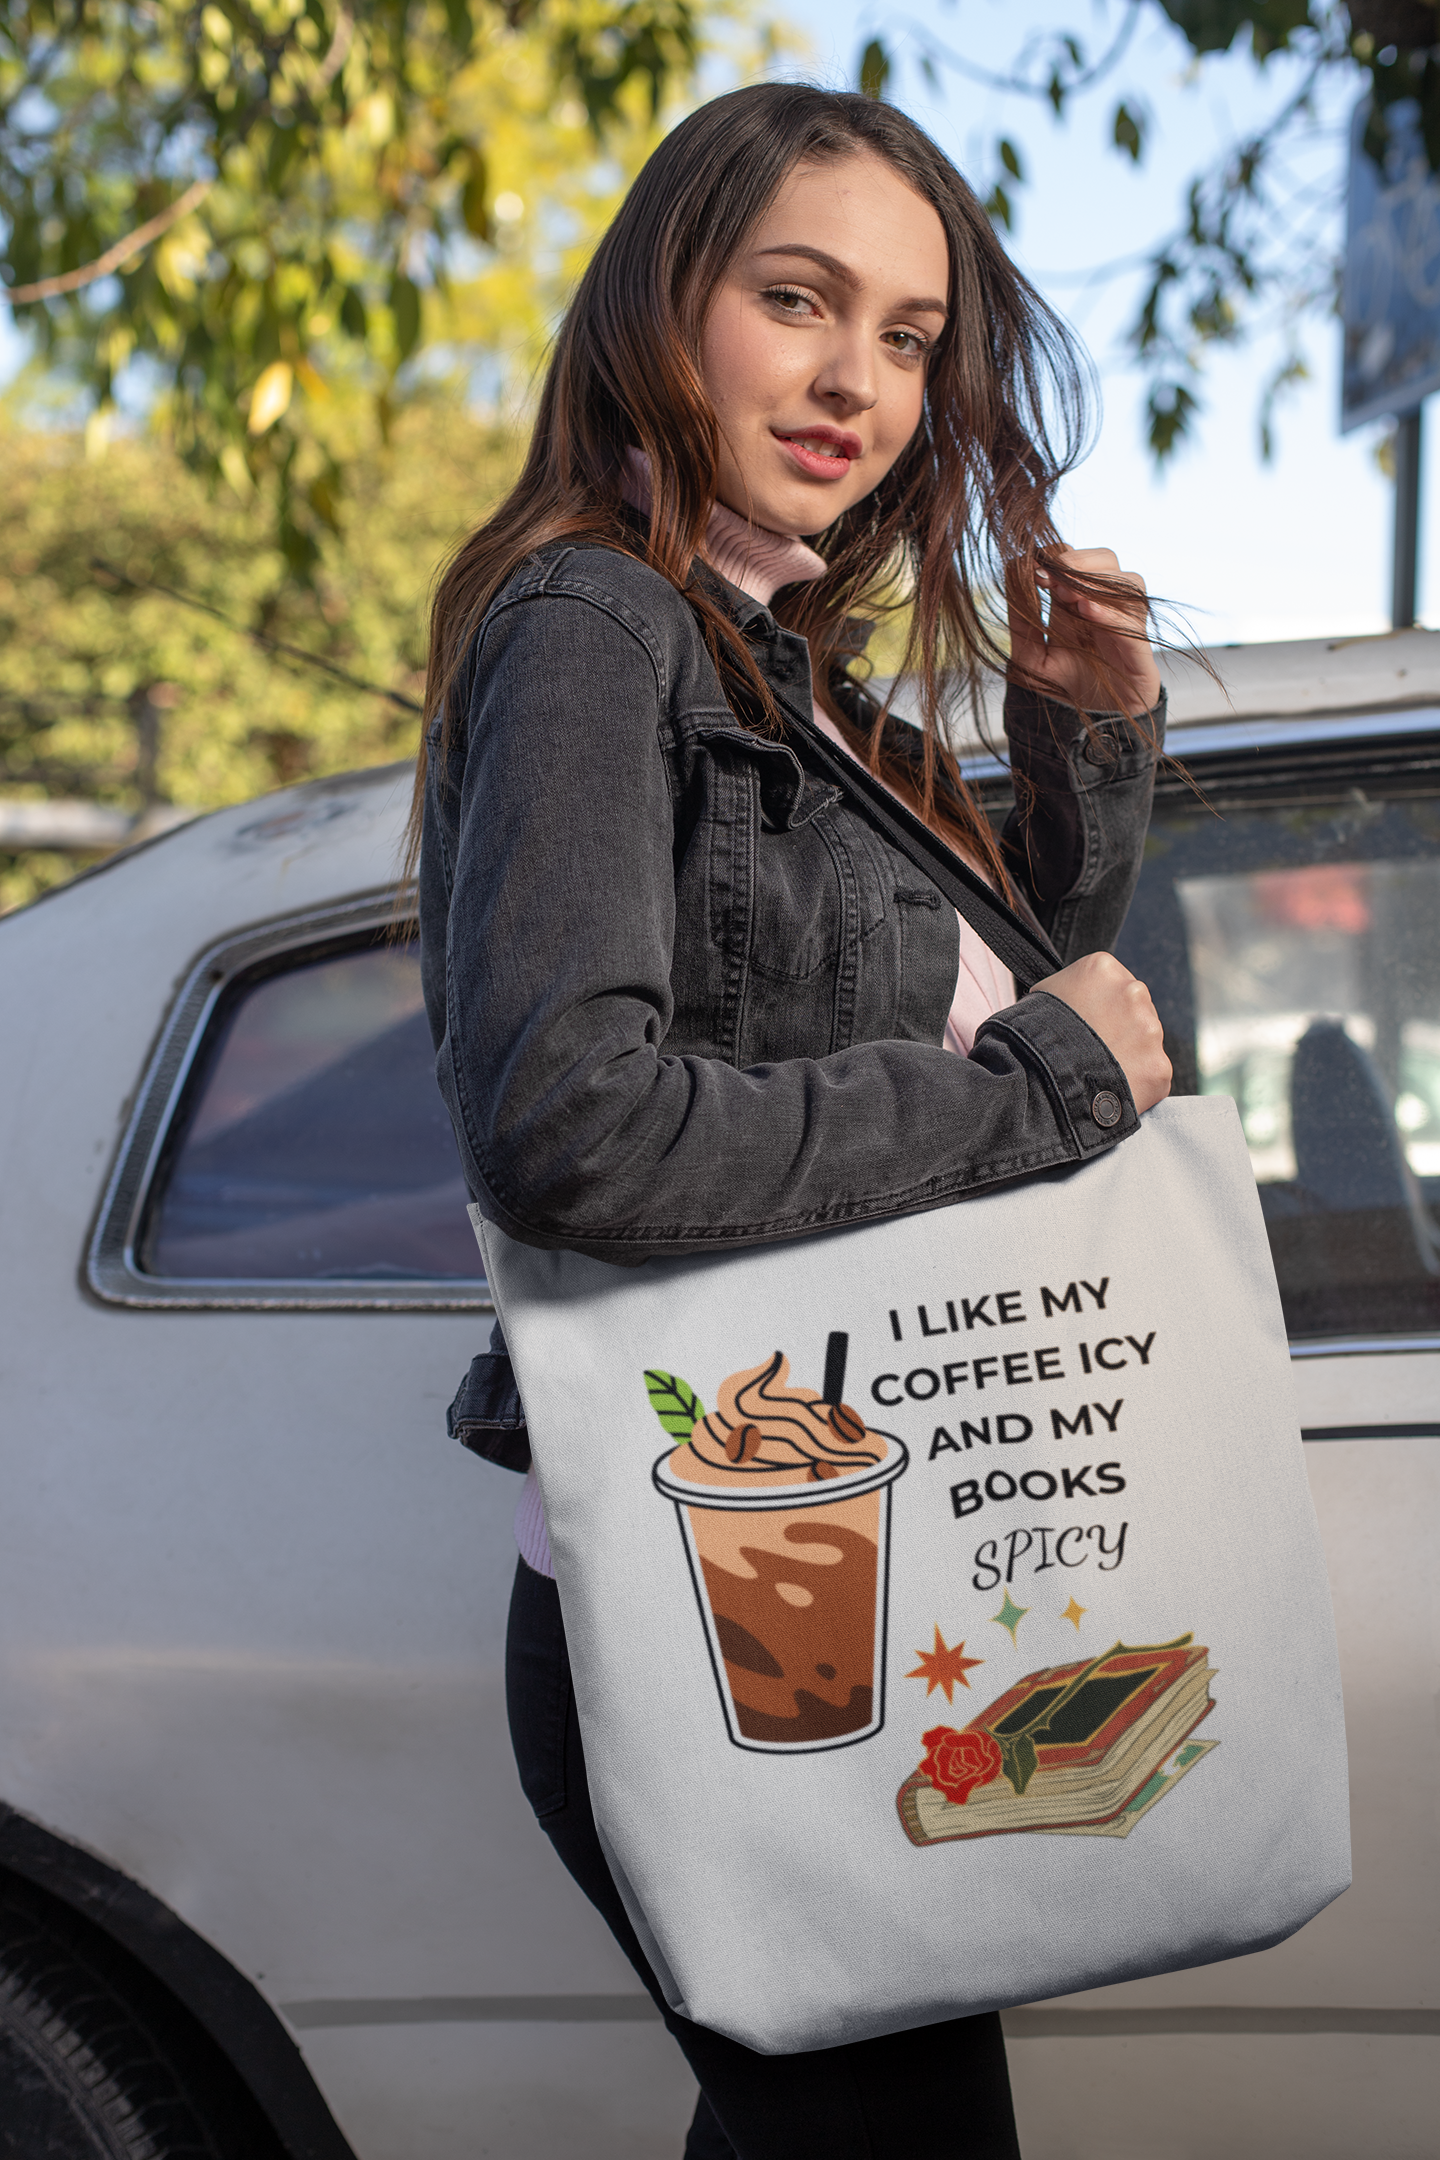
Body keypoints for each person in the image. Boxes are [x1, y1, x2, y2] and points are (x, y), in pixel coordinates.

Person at [415, 81, 1171, 2160]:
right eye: (799, 299)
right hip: (709, 1602)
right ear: (671, 299)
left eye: (913, 338)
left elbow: (970, 993)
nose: (859, 381)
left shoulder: (769, 658)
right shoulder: (600, 629)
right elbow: (570, 1128)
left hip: (808, 1555)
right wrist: (1035, 1092)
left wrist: (1082, 736)